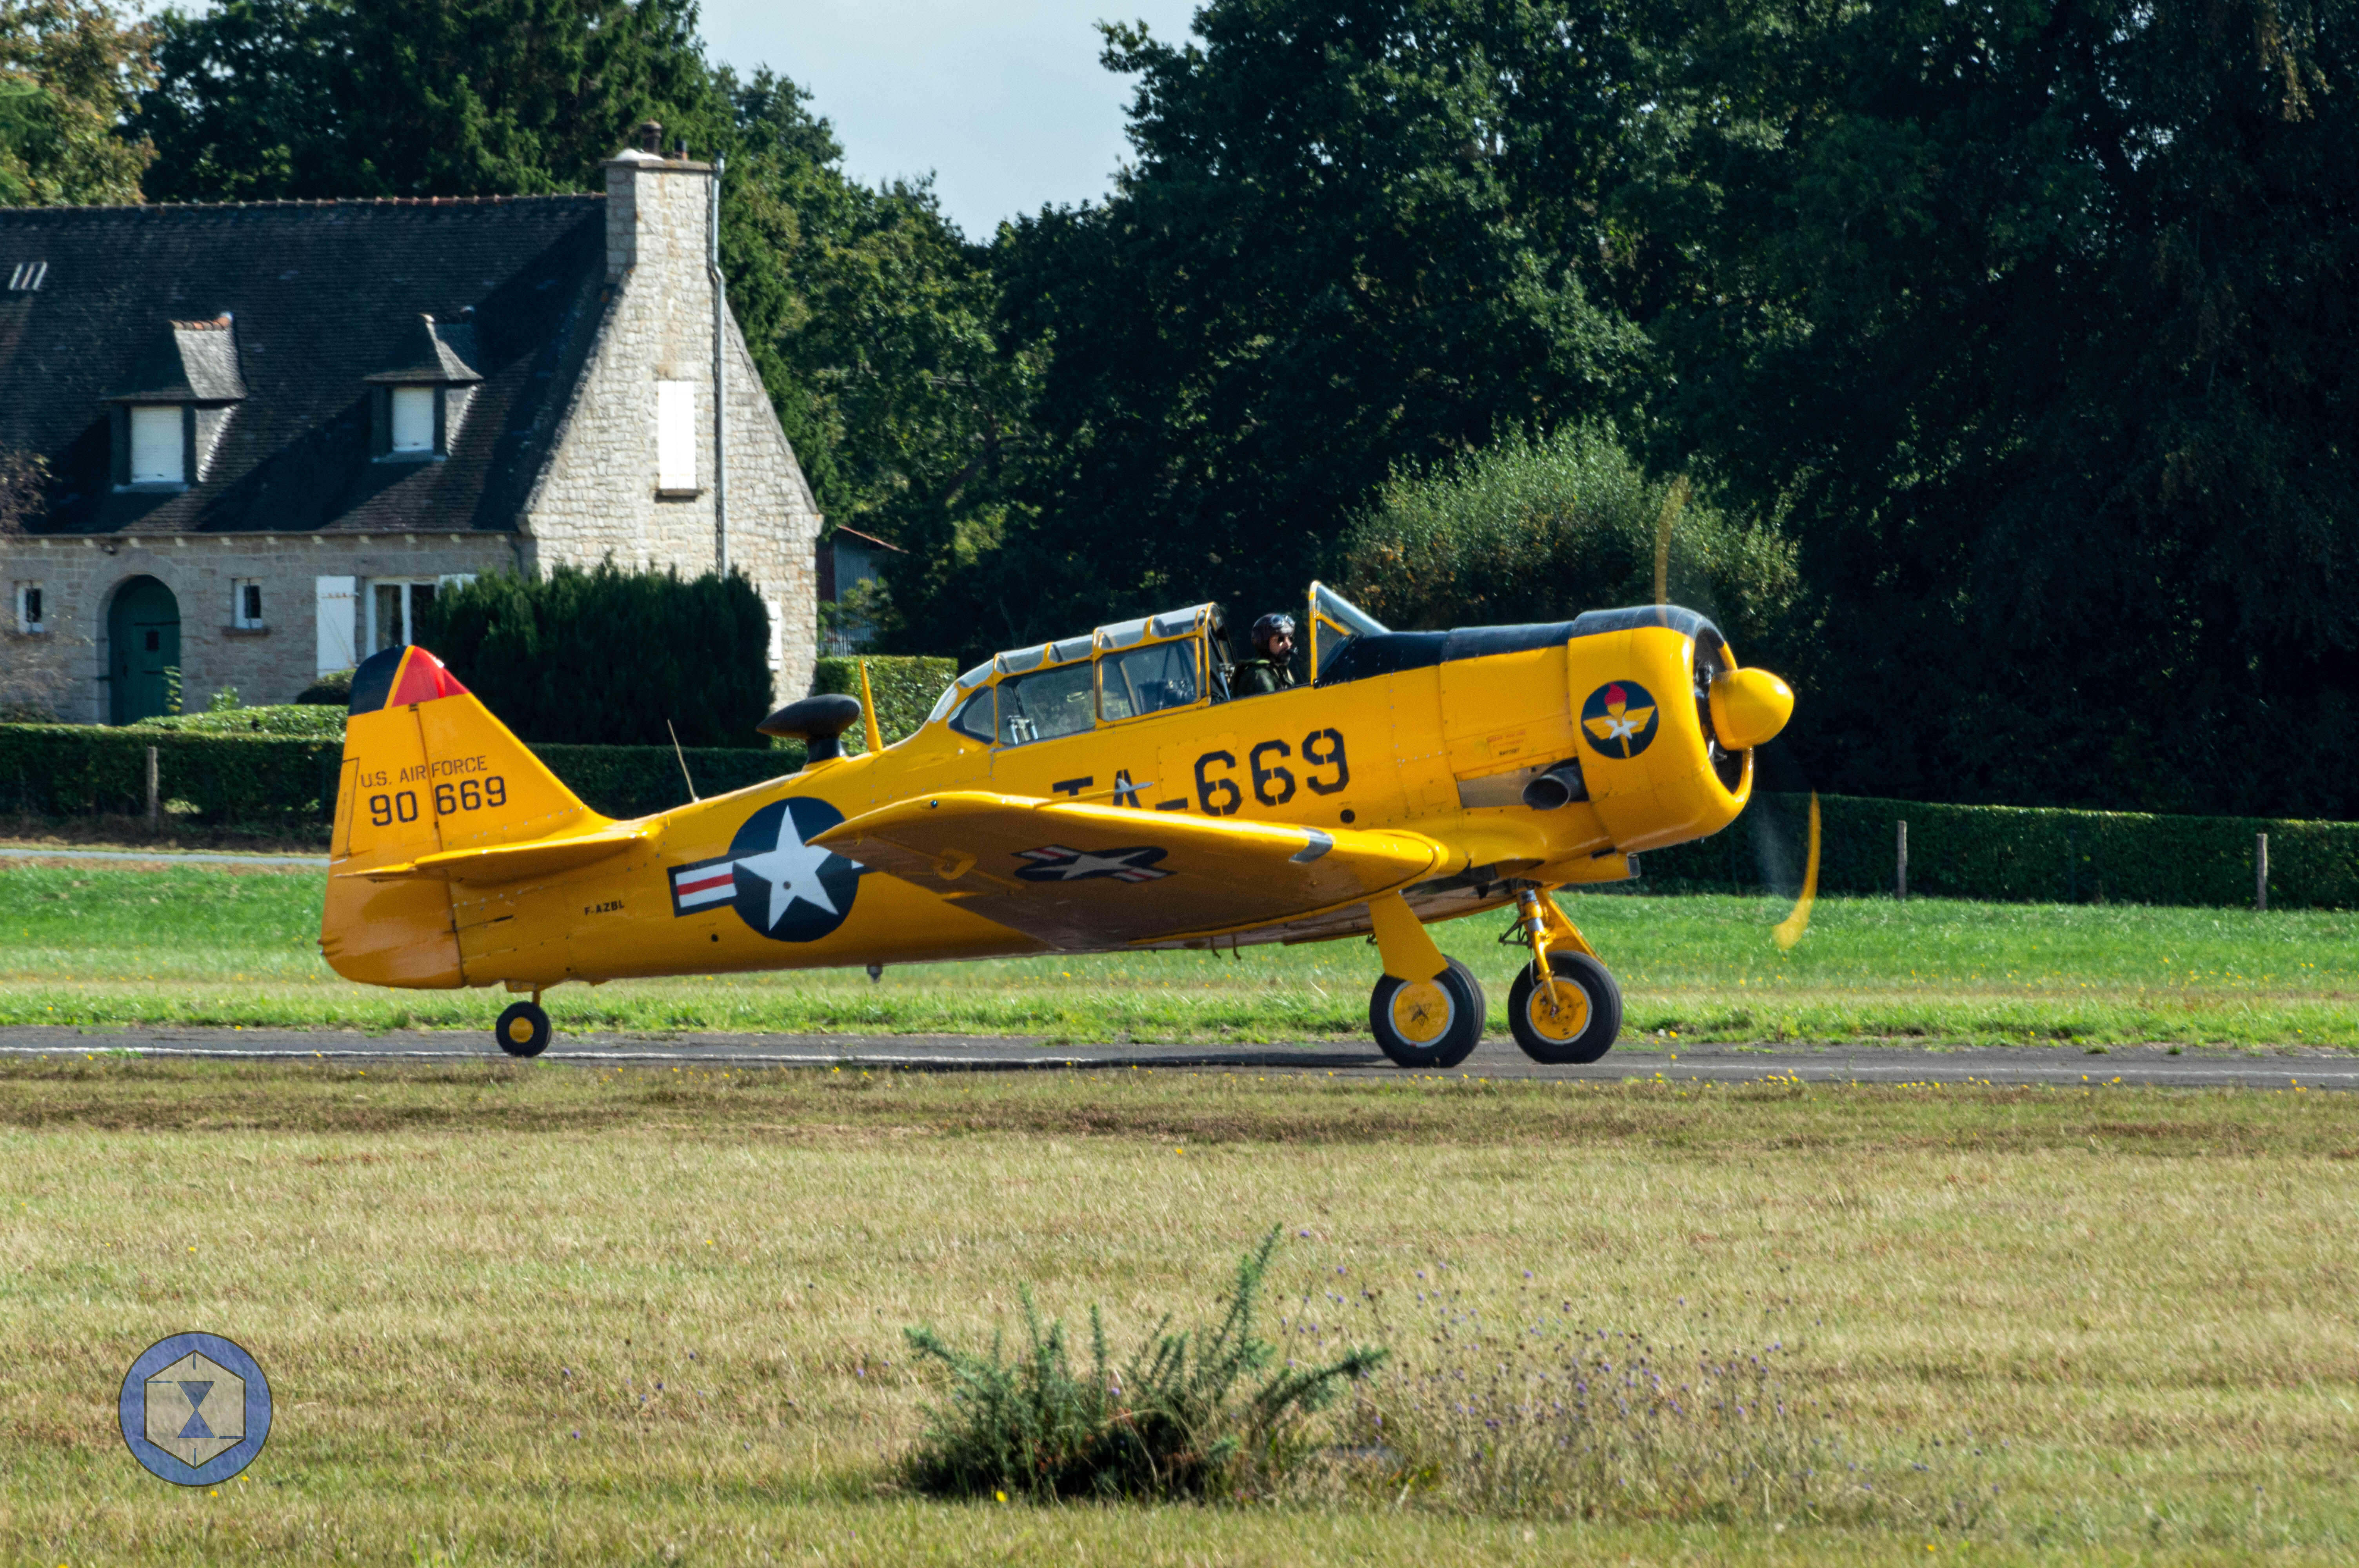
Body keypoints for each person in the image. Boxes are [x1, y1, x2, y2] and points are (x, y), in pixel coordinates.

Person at [1232, 612, 1299, 696]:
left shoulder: (1280, 670)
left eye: (1290, 638)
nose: (1288, 644)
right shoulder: (1261, 676)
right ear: (1263, 643)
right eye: (1281, 639)